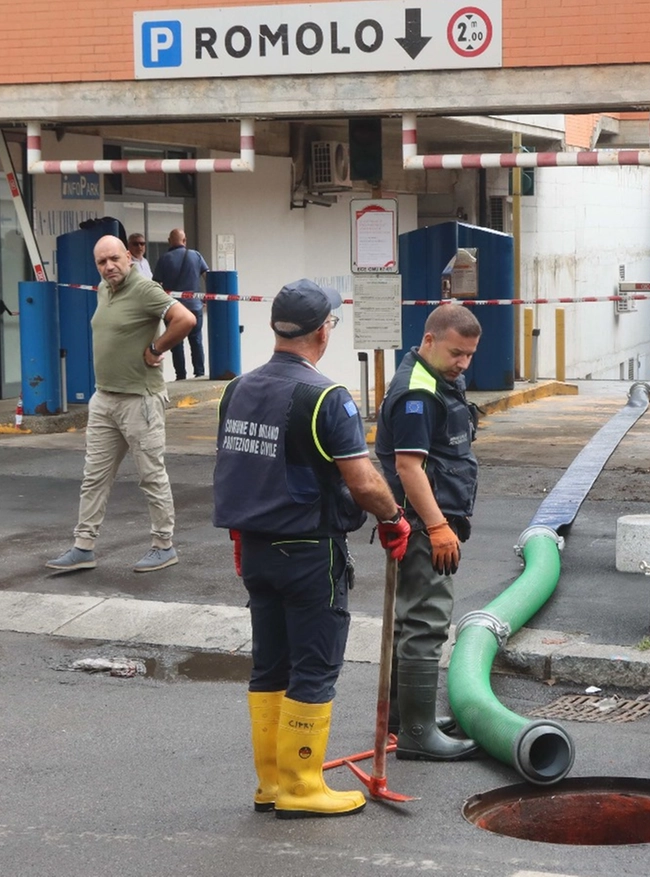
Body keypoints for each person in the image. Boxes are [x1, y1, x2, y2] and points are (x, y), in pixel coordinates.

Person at [213, 279, 412, 819]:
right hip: (308, 553)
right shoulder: (326, 396)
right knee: (314, 668)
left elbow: (241, 469)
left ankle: (272, 784)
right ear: (324, 329)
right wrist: (394, 517)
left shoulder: (237, 389)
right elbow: (364, 483)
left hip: (255, 549)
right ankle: (302, 787)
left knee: (269, 666)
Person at [45, 236, 196, 574]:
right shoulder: (103, 289)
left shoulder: (143, 289)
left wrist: (157, 348)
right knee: (93, 477)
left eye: (114, 259)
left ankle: (163, 545)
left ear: (129, 257)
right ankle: (83, 547)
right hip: (105, 398)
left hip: (140, 399)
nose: (108, 266)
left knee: (151, 475)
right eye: (101, 262)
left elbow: (185, 319)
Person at [374, 303, 484, 761]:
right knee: (426, 620)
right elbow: (407, 466)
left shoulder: (439, 381)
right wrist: (437, 527)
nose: (463, 364)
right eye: (456, 353)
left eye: (470, 356)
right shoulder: (417, 392)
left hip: (427, 519)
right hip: (423, 524)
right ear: (430, 341)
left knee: (411, 619)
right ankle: (418, 734)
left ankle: (405, 720)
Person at [151, 228, 209, 380]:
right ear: (184, 241)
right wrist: (206, 298)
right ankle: (199, 373)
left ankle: (180, 376)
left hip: (173, 309)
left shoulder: (164, 259)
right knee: (196, 341)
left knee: (176, 343)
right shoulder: (196, 256)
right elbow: (207, 276)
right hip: (195, 307)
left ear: (170, 241)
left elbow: (155, 284)